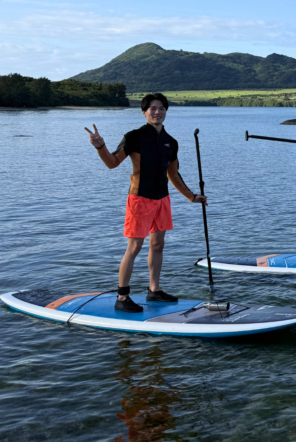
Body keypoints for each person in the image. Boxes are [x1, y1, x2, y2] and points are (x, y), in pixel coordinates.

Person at [84, 93, 207, 312]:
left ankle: (154, 291)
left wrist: (191, 196)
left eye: (161, 108)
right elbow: (112, 163)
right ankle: (122, 298)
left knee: (158, 245)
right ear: (144, 112)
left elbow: (174, 174)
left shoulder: (172, 142)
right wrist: (100, 146)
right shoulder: (134, 137)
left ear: (166, 111)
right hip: (140, 199)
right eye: (152, 108)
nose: (157, 111)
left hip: (162, 199)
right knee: (134, 247)